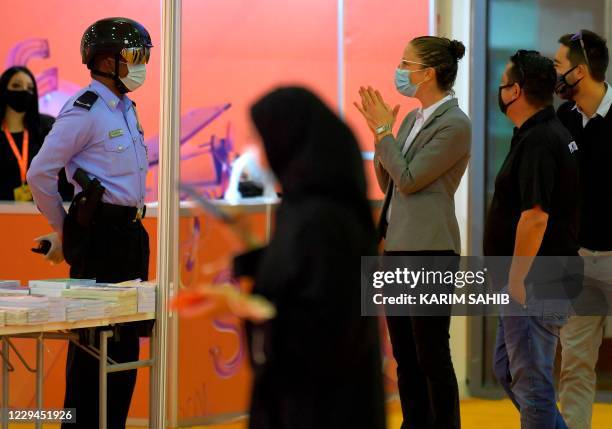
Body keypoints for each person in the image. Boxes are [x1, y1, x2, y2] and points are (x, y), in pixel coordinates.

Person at [230, 87, 386, 429]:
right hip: (301, 399)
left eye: (259, 137)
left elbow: (326, 324)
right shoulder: (305, 205)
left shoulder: (324, 217)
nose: (254, 149)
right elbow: (299, 271)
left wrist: (260, 309)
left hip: (321, 405)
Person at [27, 17, 152, 429]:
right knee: (92, 360)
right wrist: (66, 231)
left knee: (123, 356)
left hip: (131, 237)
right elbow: (40, 173)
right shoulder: (85, 110)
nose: (142, 65)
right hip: (100, 242)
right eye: (134, 57)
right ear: (104, 61)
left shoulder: (126, 108)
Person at [354, 36, 470, 429]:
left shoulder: (456, 123)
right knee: (404, 352)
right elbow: (387, 180)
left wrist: (385, 136)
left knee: (431, 352)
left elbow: (409, 178)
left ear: (430, 73)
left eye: (408, 63)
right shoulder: (411, 118)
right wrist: (380, 134)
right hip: (399, 246)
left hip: (431, 250)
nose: (401, 70)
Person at [485, 50, 580, 429]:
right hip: (533, 278)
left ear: (517, 90)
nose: (501, 90)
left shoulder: (541, 140)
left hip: (535, 280)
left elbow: (536, 217)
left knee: (533, 385)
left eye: (504, 84)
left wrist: (518, 282)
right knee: (507, 370)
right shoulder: (536, 134)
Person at [554, 30, 611, 429]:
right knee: (575, 364)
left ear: (582, 69)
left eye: (559, 67)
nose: (554, 74)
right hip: (579, 263)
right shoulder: (563, 119)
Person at [0, 66, 72, 201]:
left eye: (30, 88)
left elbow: (65, 173)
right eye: (16, 85)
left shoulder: (47, 127)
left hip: (41, 213)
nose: (24, 91)